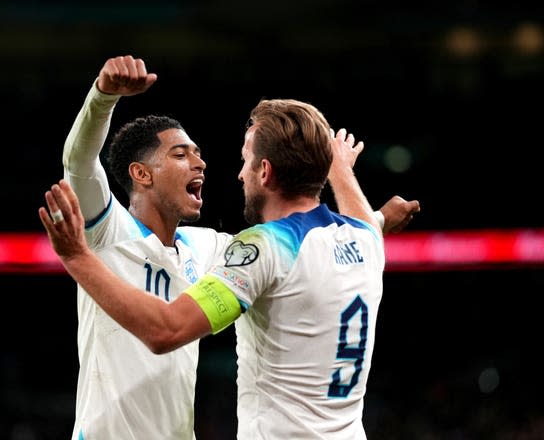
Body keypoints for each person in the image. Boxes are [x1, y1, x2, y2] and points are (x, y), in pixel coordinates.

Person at [41, 92, 415, 438]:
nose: (237, 172)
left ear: (264, 172)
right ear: (142, 173)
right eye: (180, 154)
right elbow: (79, 161)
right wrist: (348, 181)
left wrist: (76, 257)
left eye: (246, 160)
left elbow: (166, 330)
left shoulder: (254, 248)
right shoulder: (364, 240)